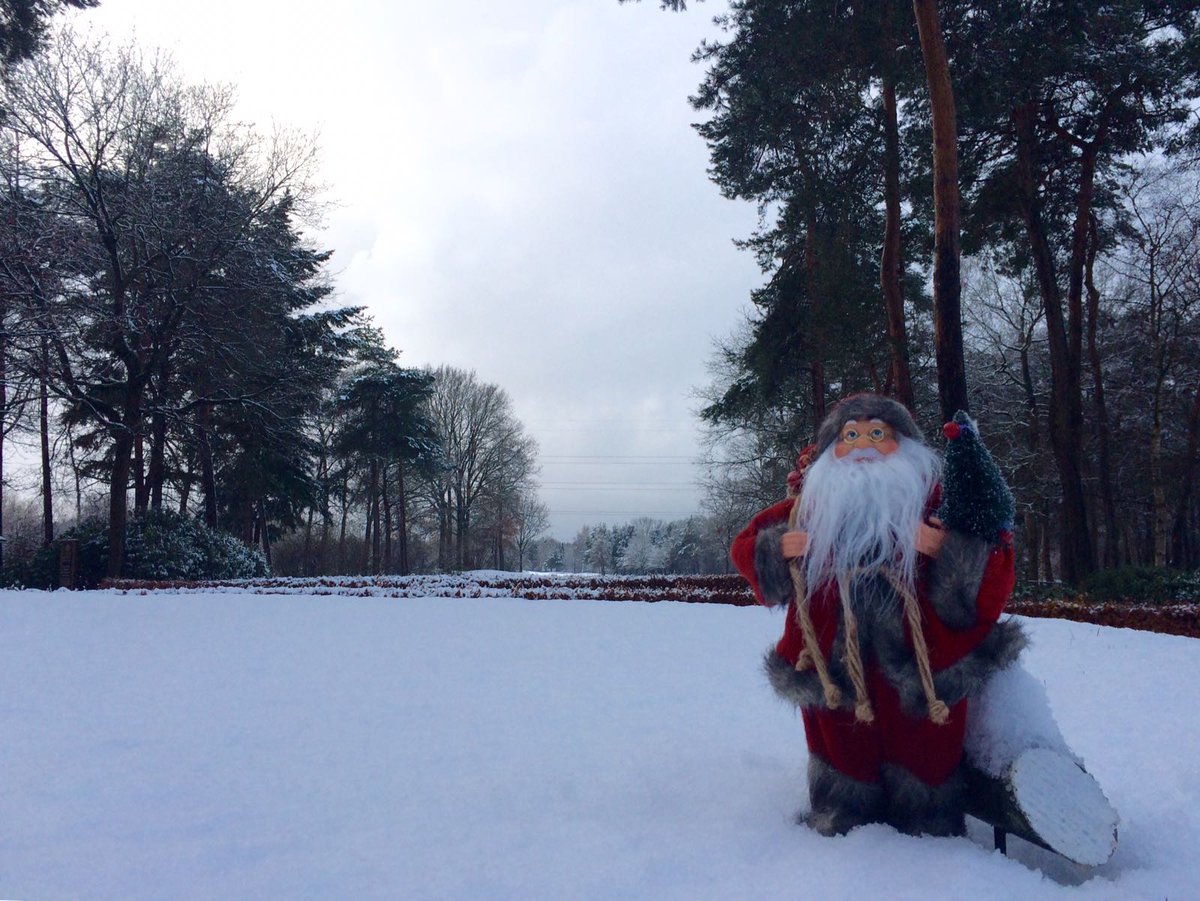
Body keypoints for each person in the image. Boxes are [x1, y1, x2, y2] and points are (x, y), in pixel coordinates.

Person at [731, 393, 1025, 837]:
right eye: (850, 435)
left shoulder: (934, 500)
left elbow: (995, 561)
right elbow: (746, 545)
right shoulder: (808, 508)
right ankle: (841, 811)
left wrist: (948, 548)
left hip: (920, 658)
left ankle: (929, 819)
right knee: (840, 739)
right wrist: (774, 548)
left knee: (926, 741)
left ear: (904, 444)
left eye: (877, 434)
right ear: (831, 450)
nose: (863, 444)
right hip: (831, 660)